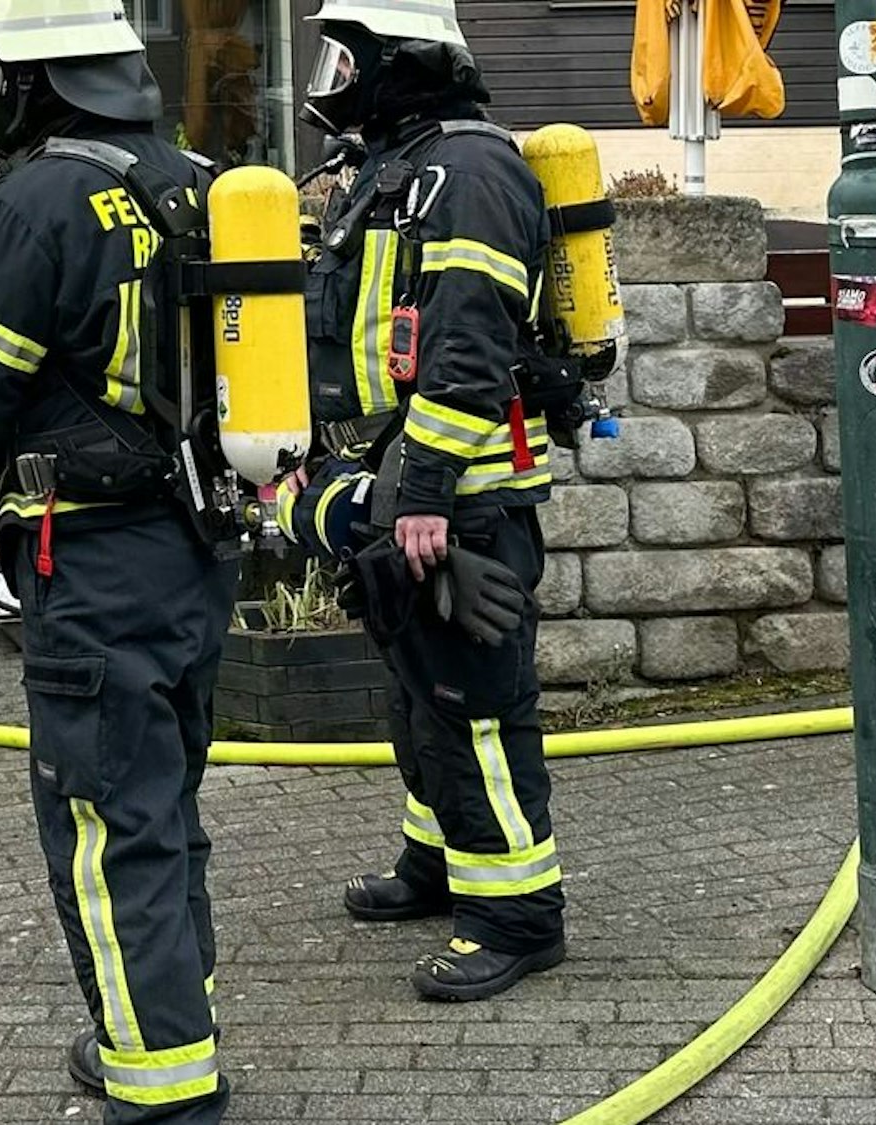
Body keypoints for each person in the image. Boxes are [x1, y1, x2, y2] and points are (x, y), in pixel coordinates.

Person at [0, 1, 234, 1119]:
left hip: (95, 558)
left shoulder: (37, 199)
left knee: (107, 823)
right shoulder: (199, 180)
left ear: (30, 80)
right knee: (165, 805)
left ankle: (160, 1082)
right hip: (197, 546)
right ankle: (174, 1020)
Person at [278, 0, 568, 1003]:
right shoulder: (395, 169)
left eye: (344, 59)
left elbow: (469, 342)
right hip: (402, 485)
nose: (332, 80)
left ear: (399, 61)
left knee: (472, 710)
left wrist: (426, 491)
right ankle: (438, 864)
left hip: (460, 499)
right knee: (419, 698)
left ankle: (516, 916)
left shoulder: (471, 171)